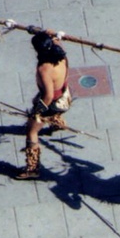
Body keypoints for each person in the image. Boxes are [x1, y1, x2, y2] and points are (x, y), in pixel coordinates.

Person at [20, 31, 71, 180]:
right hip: (65, 94)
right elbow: (55, 38)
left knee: (31, 131)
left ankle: (32, 168)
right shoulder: (60, 54)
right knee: (43, 103)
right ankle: (57, 123)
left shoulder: (44, 69)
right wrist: (49, 34)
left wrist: (36, 113)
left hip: (53, 102)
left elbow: (48, 96)